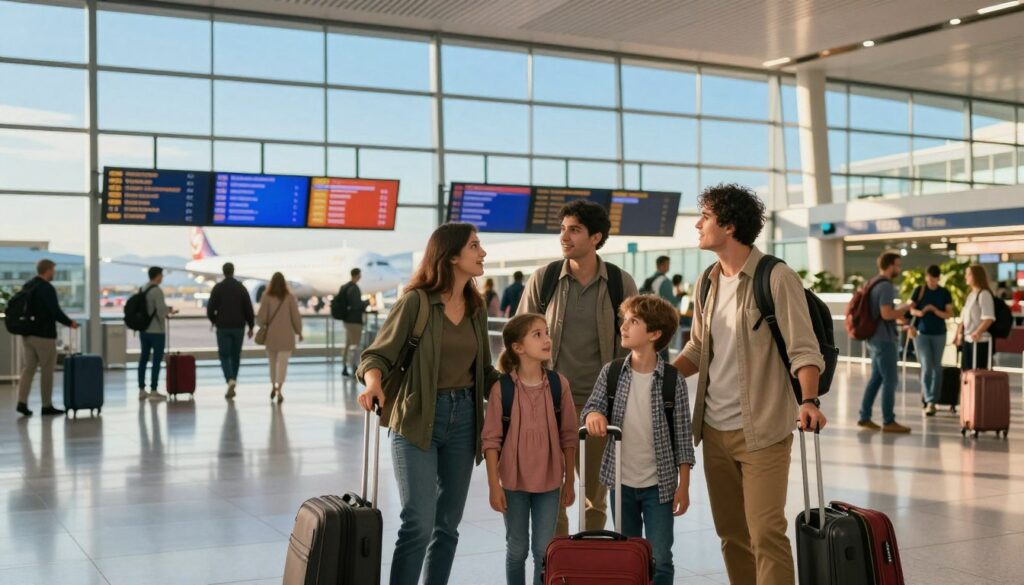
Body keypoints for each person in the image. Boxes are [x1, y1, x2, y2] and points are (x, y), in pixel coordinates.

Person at [672, 183, 826, 584]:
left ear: (729, 224)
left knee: (766, 533)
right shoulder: (706, 281)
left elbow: (804, 349)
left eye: (704, 216)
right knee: (731, 535)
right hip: (713, 429)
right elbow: (697, 348)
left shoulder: (776, 277)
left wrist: (809, 401)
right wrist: (655, 375)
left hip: (763, 430)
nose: (697, 224)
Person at [357, 222, 501, 585]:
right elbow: (375, 356)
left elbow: (484, 371)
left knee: (447, 526)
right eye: (474, 246)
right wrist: (373, 384)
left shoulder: (475, 307)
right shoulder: (416, 302)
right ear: (451, 255)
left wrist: (530, 381)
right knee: (418, 523)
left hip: (465, 417)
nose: (482, 253)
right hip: (417, 417)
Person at [517, 199, 639, 536]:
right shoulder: (545, 279)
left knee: (594, 499)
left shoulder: (619, 282)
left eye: (574, 230)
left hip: (599, 408)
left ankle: (589, 560)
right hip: (548, 402)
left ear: (596, 237)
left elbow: (635, 344)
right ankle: (557, 564)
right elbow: (520, 337)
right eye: (562, 229)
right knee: (550, 493)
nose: (564, 236)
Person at [582, 295, 695, 585]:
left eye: (634, 321)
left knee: (660, 558)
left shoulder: (672, 380)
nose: (624, 326)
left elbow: (683, 438)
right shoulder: (612, 372)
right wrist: (594, 414)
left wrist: (684, 486)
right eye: (624, 320)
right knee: (627, 555)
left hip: (660, 485)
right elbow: (592, 406)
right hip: (621, 483)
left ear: (655, 334)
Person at [481, 313, 577, 585]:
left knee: (542, 551)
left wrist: (569, 479)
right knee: (517, 549)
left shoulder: (560, 385)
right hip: (512, 483)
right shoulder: (502, 389)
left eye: (546, 332)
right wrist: (493, 486)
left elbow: (568, 437)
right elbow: (490, 441)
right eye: (537, 334)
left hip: (549, 484)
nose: (547, 339)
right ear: (518, 347)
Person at [858, 252, 913, 433]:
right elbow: (886, 313)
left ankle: (864, 416)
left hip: (874, 338)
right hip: (884, 339)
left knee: (876, 378)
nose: (899, 268)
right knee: (890, 380)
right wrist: (905, 308)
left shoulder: (872, 282)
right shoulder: (886, 286)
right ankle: (888, 421)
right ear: (889, 266)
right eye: (897, 265)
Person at [15, 259, 78, 417]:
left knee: (28, 369)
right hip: (44, 335)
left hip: (27, 333)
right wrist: (70, 323)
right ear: (47, 270)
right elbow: (54, 311)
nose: (54, 273)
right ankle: (46, 405)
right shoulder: (46, 288)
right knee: (47, 370)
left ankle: (21, 402)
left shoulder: (28, 285)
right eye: (53, 270)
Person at [908, 265, 953, 416]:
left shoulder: (944, 293)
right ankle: (928, 400)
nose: (932, 281)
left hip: (939, 334)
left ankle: (933, 400)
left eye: (935, 279)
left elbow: (948, 314)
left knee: (937, 368)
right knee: (926, 366)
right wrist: (920, 312)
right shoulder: (919, 290)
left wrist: (934, 310)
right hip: (922, 334)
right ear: (926, 277)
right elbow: (911, 309)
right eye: (930, 278)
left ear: (939, 278)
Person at [207, 262, 254, 399]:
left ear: (223, 272)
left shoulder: (218, 288)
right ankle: (234, 378)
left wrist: (214, 320)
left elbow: (210, 309)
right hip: (239, 327)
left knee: (224, 355)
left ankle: (230, 379)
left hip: (223, 327)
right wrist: (251, 326)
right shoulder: (241, 288)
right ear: (233, 271)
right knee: (235, 355)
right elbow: (248, 309)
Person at [256, 272, 303, 403]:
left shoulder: (266, 297)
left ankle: (272, 386)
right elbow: (295, 317)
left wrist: (264, 324)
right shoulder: (290, 297)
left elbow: (260, 319)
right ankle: (280, 390)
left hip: (271, 336)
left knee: (272, 364)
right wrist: (299, 332)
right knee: (283, 364)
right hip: (287, 336)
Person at [138, 266, 178, 401]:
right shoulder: (157, 291)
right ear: (157, 276)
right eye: (161, 275)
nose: (162, 277)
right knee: (156, 360)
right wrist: (170, 311)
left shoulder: (143, 288)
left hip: (144, 330)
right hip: (156, 331)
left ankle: (141, 389)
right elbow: (161, 312)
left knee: (143, 359)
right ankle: (154, 389)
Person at [955, 264, 996, 371]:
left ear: (976, 276)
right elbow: (964, 318)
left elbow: (988, 318)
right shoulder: (971, 294)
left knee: (977, 373)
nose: (966, 277)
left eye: (968, 274)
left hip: (980, 341)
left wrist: (977, 332)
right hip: (968, 340)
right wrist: (958, 335)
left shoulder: (984, 294)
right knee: (966, 372)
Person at [337, 268, 370, 378]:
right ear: (357, 275)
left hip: (346, 321)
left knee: (348, 344)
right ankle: (354, 367)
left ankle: (344, 367)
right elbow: (357, 305)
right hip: (355, 321)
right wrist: (367, 302)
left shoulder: (344, 287)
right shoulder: (354, 289)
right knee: (355, 345)